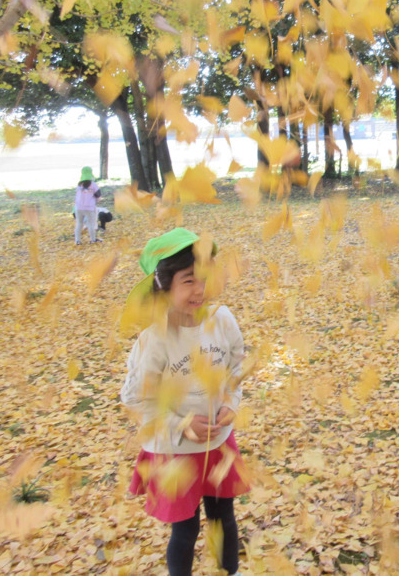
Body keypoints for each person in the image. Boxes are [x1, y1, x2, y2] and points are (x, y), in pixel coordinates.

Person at [121, 228, 248, 576]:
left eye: (204, 278)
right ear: (163, 286)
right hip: (175, 451)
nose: (200, 290)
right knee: (186, 528)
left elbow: (237, 364)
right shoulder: (155, 340)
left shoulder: (222, 320)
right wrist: (180, 424)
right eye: (188, 280)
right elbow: (134, 396)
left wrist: (231, 403)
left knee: (223, 517)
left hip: (218, 444)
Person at [74, 166, 101, 245]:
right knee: (90, 224)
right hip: (89, 208)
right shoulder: (93, 185)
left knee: (79, 223)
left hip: (78, 207)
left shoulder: (79, 185)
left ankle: (77, 241)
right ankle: (93, 239)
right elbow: (98, 195)